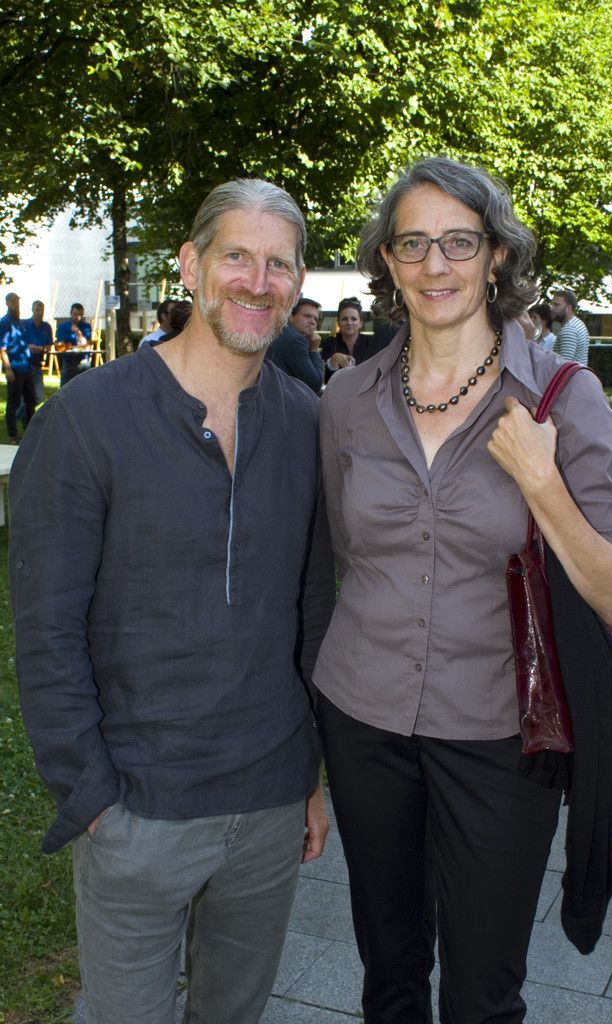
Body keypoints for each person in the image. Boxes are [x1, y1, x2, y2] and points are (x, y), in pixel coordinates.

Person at [312, 157, 612, 1024]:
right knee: (387, 970)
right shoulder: (347, 400)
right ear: (385, 262)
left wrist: (542, 485)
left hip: (501, 736)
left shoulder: (564, 400)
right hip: (363, 720)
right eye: (411, 244)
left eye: (458, 242)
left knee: (482, 991)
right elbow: (347, 557)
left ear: (496, 255)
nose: (435, 266)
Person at [10, 177, 335, 1024]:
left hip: (268, 805)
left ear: (298, 282)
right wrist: (92, 797)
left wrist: (309, 776)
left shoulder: (308, 425)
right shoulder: (85, 418)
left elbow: (310, 614)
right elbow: (46, 631)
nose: (256, 281)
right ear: (190, 266)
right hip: (138, 810)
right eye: (236, 255)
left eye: (278, 264)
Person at [267, 296, 324, 392]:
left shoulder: (280, 331)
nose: (312, 322)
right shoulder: (296, 339)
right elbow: (315, 384)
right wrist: (314, 349)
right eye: (307, 316)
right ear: (291, 317)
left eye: (315, 319)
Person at [0, 291, 36, 443]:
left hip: (26, 366)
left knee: (31, 400)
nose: (17, 304)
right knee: (13, 402)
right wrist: (8, 368)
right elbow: (2, 348)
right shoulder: (5, 322)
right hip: (14, 367)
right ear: (8, 303)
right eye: (13, 301)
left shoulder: (19, 322)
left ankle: (29, 431)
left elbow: (21, 343)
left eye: (18, 301)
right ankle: (13, 434)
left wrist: (30, 348)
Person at [321, 296, 372, 379]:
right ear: (338, 322)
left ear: (361, 323)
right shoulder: (329, 343)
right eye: (344, 319)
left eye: (354, 319)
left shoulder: (371, 342)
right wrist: (332, 362)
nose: (349, 322)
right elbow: (326, 378)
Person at [22, 299, 53, 406]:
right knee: (24, 395)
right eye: (37, 310)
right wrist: (28, 347)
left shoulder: (47, 327)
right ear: (32, 310)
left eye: (41, 310)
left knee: (39, 396)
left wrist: (42, 348)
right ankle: (24, 416)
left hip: (37, 364)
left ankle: (22, 414)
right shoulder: (24, 324)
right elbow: (16, 343)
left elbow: (49, 346)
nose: (39, 312)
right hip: (23, 364)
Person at [549, 288, 590, 364]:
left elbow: (564, 366)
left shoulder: (569, 330)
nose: (551, 308)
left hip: (571, 375)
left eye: (556, 305)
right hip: (578, 375)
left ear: (569, 307)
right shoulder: (578, 323)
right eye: (552, 304)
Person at [55, 302, 93, 385]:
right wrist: (76, 346)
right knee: (65, 389)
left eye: (80, 314)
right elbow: (61, 346)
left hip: (83, 361)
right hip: (68, 361)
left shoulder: (86, 327)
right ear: (71, 313)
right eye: (75, 314)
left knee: (85, 389)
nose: (77, 317)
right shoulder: (63, 327)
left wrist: (78, 333)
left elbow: (87, 346)